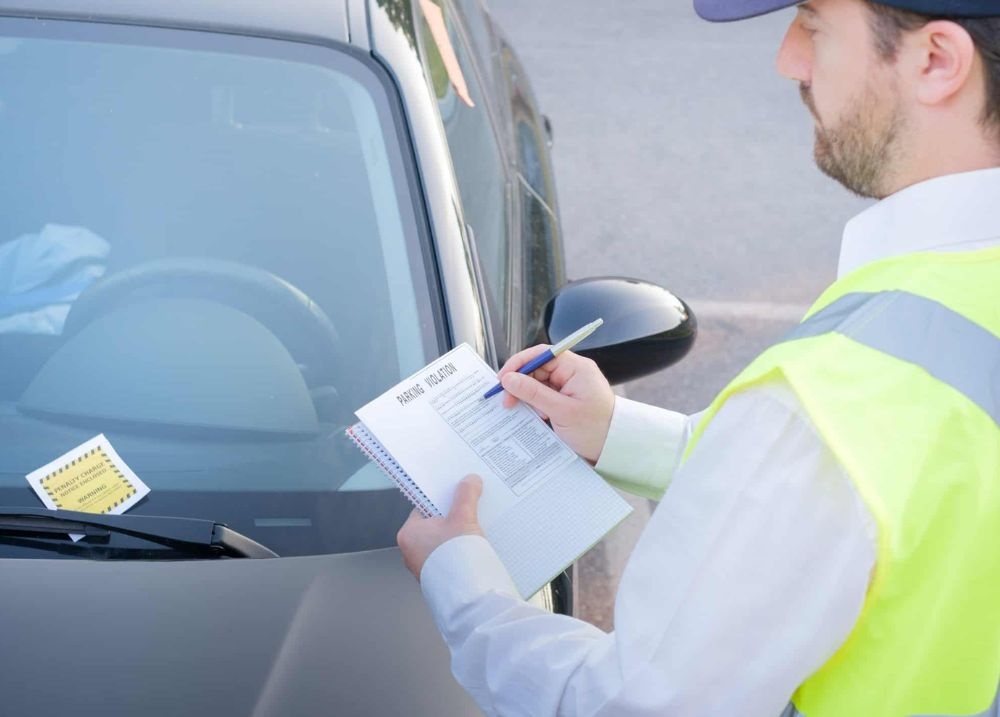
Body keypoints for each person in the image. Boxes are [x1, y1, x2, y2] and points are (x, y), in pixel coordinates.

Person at [396, 0, 1000, 714]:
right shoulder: (941, 326)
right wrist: (614, 430)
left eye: (813, 24)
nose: (788, 60)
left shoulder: (829, 407)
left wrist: (465, 589)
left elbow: (630, 705)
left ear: (937, 61)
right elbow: (842, 511)